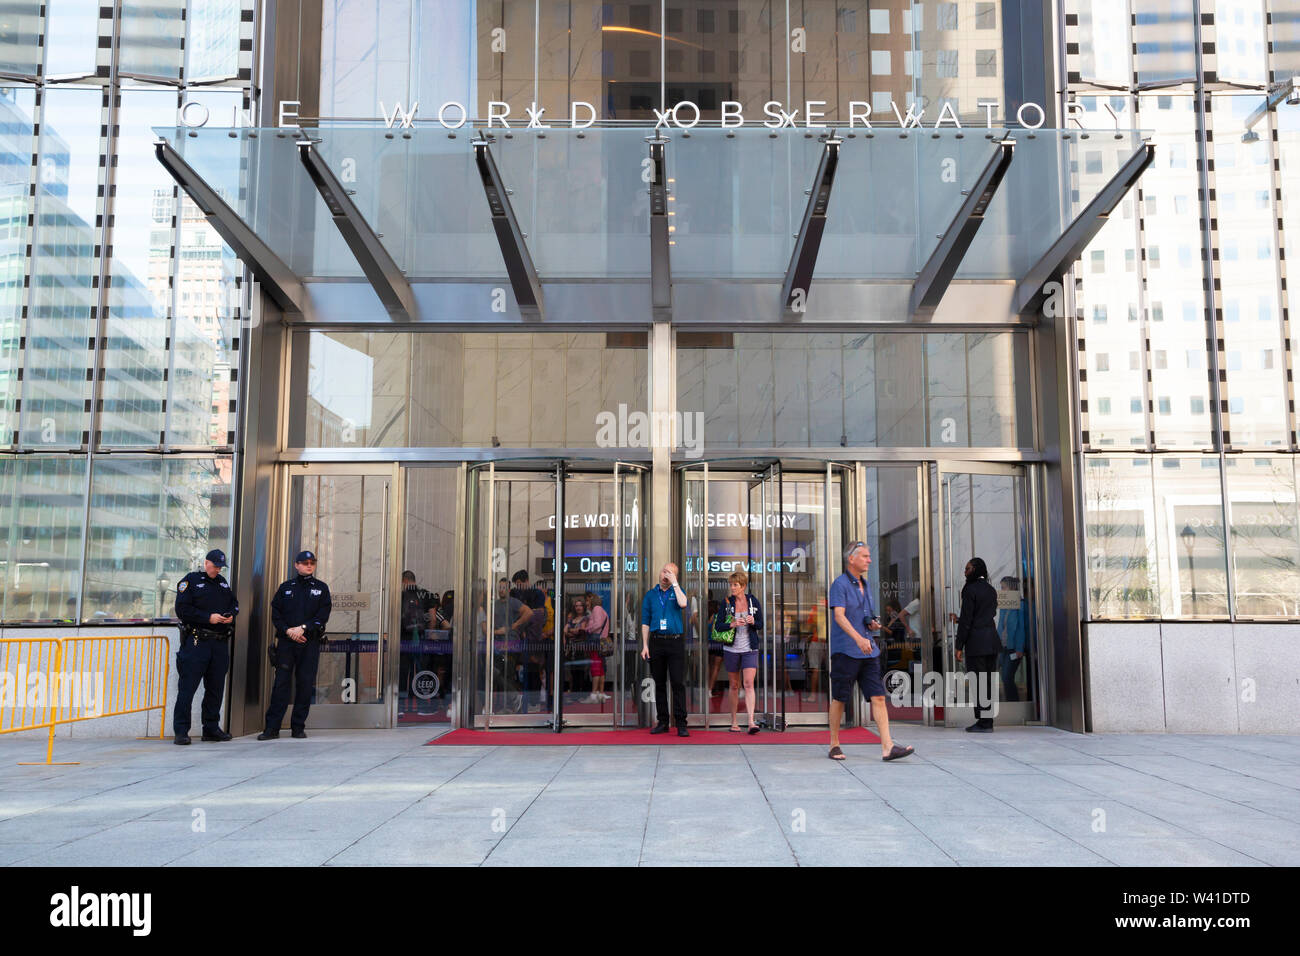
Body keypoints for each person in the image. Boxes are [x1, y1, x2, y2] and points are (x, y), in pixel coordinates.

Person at [827, 542, 913, 762]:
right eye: (865, 556)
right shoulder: (840, 584)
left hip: (868, 651)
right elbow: (839, 616)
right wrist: (858, 638)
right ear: (851, 559)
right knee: (840, 698)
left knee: (878, 697)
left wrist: (873, 624)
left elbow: (866, 617)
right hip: (846, 651)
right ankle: (834, 744)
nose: (869, 560)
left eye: (869, 556)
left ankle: (888, 746)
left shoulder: (866, 585)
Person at [259, 550, 332, 740]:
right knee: (281, 685)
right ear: (296, 565)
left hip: (309, 642)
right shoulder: (285, 588)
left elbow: (322, 616)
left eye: (312, 563)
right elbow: (276, 613)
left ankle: (298, 727)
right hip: (286, 644)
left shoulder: (321, 588)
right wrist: (288, 631)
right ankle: (272, 729)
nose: (309, 565)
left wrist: (303, 628)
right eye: (305, 562)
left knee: (305, 685)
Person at [172, 548, 238, 745]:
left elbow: (234, 603)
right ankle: (181, 731)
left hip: (218, 642)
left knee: (216, 688)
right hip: (197, 641)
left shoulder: (222, 583)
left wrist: (232, 615)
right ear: (206, 563)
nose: (217, 570)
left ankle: (211, 728)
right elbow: (182, 609)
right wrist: (208, 617)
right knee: (188, 688)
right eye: (215, 565)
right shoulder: (190, 580)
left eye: (220, 567)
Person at [640, 561, 690, 736]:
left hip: (675, 642)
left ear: (674, 576)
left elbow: (684, 604)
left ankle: (682, 723)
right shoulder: (650, 595)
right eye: (664, 571)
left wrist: (675, 583)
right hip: (656, 642)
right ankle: (663, 721)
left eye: (670, 573)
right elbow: (645, 622)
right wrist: (645, 645)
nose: (665, 575)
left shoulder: (678, 591)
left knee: (678, 683)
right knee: (659, 683)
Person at [952, 557, 1002, 731]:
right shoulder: (990, 590)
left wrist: (959, 646)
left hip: (977, 643)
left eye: (967, 569)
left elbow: (967, 620)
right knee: (987, 682)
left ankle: (984, 722)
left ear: (975, 570)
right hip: (992, 641)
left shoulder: (969, 590)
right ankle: (987, 721)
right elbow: (988, 614)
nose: (965, 572)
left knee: (979, 683)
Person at [718, 570, 762, 734]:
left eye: (735, 585)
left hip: (750, 648)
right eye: (731, 585)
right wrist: (733, 624)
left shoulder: (753, 601)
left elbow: (760, 624)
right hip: (731, 648)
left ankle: (751, 721)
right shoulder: (727, 603)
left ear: (743, 586)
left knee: (749, 683)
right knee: (734, 685)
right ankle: (734, 721)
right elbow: (718, 626)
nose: (732, 588)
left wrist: (753, 621)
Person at [399, 571, 438, 713]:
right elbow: (433, 618)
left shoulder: (401, 596)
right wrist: (429, 633)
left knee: (403, 672)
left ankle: (400, 707)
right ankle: (422, 706)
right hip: (421, 639)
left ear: (404, 581)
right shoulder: (426, 594)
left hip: (404, 639)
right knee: (421, 671)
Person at [510, 570, 548, 712]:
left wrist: (523, 620)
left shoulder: (537, 594)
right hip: (520, 637)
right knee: (520, 671)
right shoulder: (515, 594)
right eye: (516, 585)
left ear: (526, 581)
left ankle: (534, 702)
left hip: (534, 638)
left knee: (533, 670)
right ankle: (521, 701)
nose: (518, 587)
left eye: (519, 584)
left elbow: (538, 615)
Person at [584, 591, 610, 703]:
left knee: (595, 668)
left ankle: (594, 694)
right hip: (601, 642)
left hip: (596, 642)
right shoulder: (601, 610)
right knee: (600, 668)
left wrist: (588, 629)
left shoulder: (597, 609)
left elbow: (598, 624)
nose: (587, 602)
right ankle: (600, 693)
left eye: (588, 600)